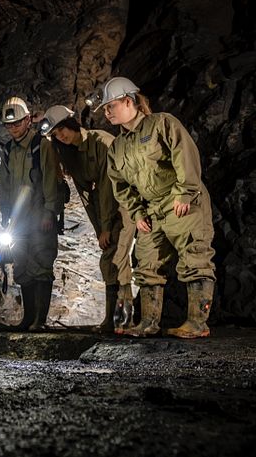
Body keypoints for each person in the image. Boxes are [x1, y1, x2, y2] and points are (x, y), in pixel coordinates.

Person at [99, 76, 217, 338]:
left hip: (180, 201)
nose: (106, 112)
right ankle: (148, 323)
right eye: (105, 109)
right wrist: (138, 212)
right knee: (147, 263)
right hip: (152, 210)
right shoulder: (117, 147)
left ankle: (198, 324)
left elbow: (184, 154)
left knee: (195, 257)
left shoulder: (162, 123)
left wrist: (185, 193)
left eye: (110, 106)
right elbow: (121, 186)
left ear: (128, 101)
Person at [40, 105, 136, 334]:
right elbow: (86, 196)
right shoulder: (70, 155)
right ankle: (114, 320)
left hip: (123, 205)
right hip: (105, 211)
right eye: (55, 134)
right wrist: (99, 228)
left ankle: (124, 321)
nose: (61, 136)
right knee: (109, 261)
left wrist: (106, 227)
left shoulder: (101, 143)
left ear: (72, 123)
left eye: (62, 128)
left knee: (119, 259)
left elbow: (107, 187)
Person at [0, 97, 61, 331]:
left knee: (42, 263)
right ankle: (28, 319)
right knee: (22, 267)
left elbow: (51, 179)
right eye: (8, 125)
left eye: (17, 123)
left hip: (38, 216)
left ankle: (40, 320)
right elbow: (3, 185)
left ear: (27, 120)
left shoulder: (40, 145)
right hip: (18, 220)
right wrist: (5, 216)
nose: (13, 128)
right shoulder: (7, 150)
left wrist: (49, 211)